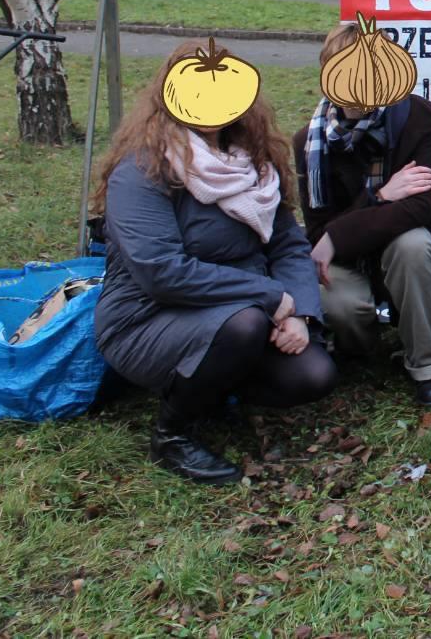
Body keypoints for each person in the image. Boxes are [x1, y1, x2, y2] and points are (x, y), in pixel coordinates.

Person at [94, 41, 336, 484]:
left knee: (313, 375)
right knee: (242, 325)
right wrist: (270, 297)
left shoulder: (254, 162)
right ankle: (173, 434)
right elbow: (161, 272)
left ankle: (215, 386)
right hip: (148, 317)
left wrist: (300, 311)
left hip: (246, 309)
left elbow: (288, 244)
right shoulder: (142, 171)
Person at [292, 23, 431, 406]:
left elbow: (421, 204)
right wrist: (382, 195)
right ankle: (360, 348)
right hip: (346, 255)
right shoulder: (309, 141)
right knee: (342, 304)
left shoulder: (414, 116)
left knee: (414, 245)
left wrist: (343, 230)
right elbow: (319, 226)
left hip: (393, 239)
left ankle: (428, 364)